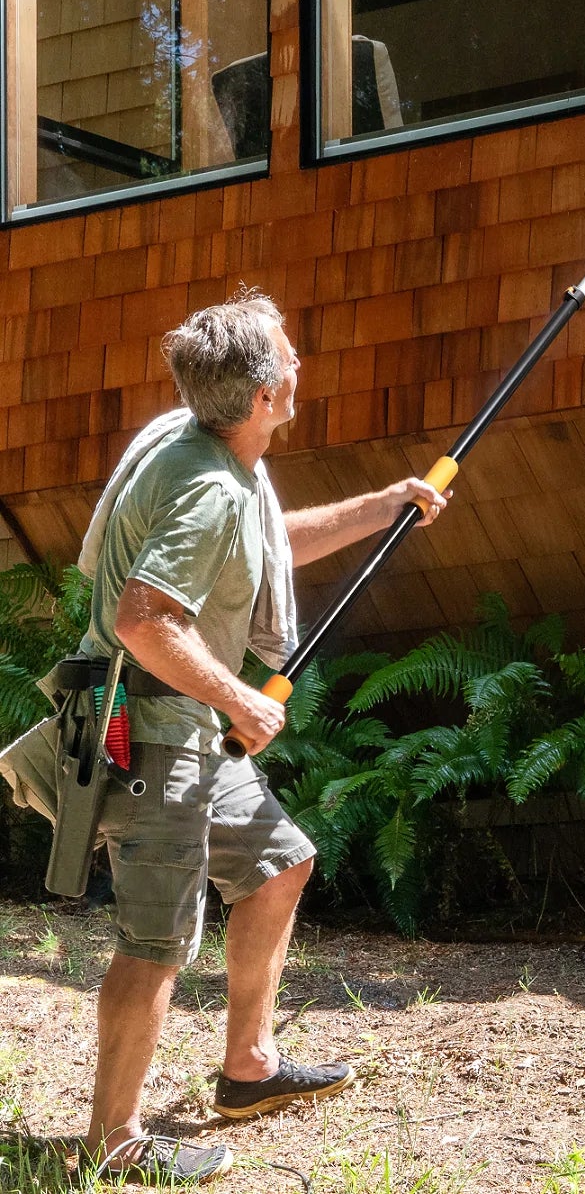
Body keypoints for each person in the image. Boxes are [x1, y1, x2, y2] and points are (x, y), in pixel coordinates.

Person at [35, 291, 447, 1183]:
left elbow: (261, 547)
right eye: (289, 356)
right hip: (147, 734)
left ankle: (247, 1070)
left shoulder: (205, 450)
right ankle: (113, 1146)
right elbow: (146, 619)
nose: (299, 363)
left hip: (174, 721)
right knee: (154, 943)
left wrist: (383, 505)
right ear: (263, 396)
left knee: (277, 864)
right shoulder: (213, 489)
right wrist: (243, 702)